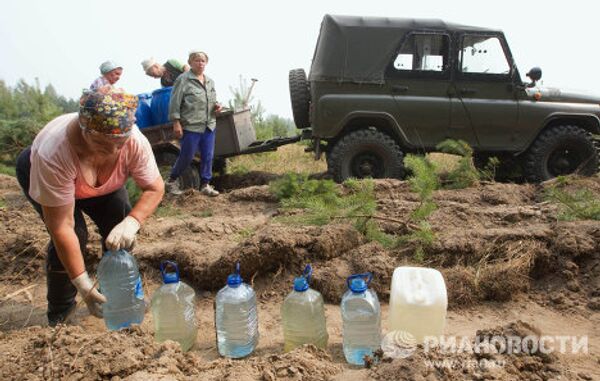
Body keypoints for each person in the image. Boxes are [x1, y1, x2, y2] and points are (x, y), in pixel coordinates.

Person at [15, 88, 165, 326]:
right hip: (51, 175)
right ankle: (62, 311)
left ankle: (118, 297)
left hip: (103, 184)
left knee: (119, 220)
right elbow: (62, 226)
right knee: (75, 234)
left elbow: (155, 188)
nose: (114, 151)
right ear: (85, 131)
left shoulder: (133, 140)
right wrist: (82, 283)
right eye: (103, 144)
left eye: (120, 144)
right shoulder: (54, 152)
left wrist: (132, 222)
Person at [166, 50, 222, 196]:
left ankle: (205, 185)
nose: (200, 63)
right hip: (191, 125)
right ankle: (171, 181)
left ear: (206, 63)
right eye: (197, 60)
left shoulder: (210, 81)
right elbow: (174, 102)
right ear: (190, 62)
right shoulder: (183, 79)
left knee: (208, 156)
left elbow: (212, 100)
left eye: (203, 61)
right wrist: (176, 122)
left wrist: (217, 106)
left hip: (209, 124)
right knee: (187, 155)